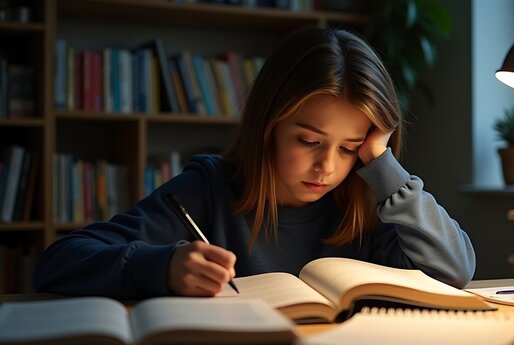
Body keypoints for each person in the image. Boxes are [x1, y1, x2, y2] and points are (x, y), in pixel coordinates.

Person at [34, 27, 475, 299]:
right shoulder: (207, 188)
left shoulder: (364, 199)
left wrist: (382, 166)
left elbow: (452, 270)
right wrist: (162, 265)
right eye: (308, 140)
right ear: (268, 126)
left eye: (349, 147)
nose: (326, 167)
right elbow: (59, 261)